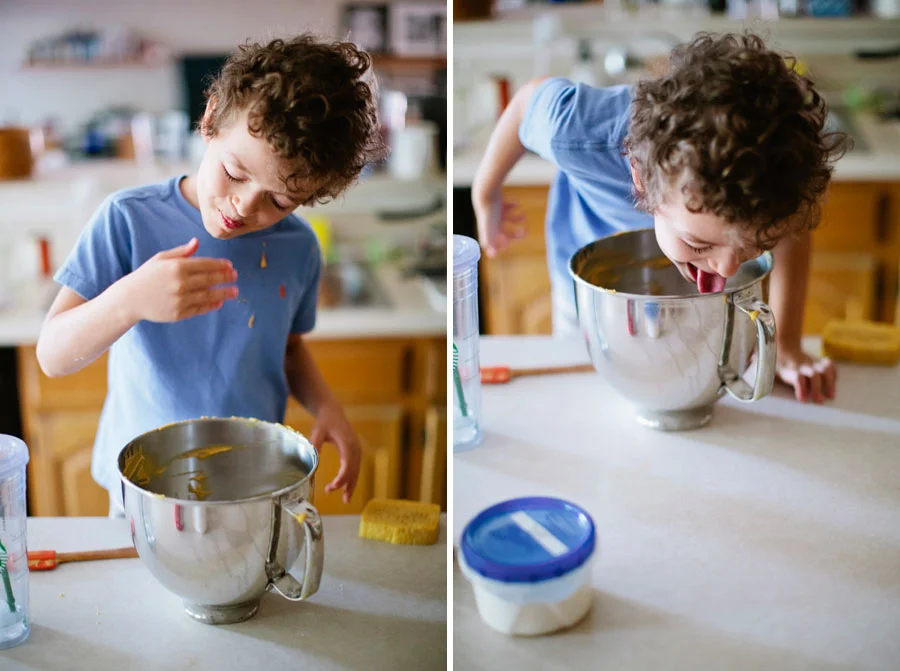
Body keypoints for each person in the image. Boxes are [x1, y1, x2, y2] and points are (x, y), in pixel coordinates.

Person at [36, 35, 386, 515]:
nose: (244, 207)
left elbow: (286, 348)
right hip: (142, 489)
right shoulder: (128, 220)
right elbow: (52, 356)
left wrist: (326, 407)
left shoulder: (298, 249)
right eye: (236, 172)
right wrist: (130, 300)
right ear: (210, 120)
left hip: (251, 483)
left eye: (280, 200)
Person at [472, 32, 847, 404]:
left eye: (757, 244)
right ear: (641, 178)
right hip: (588, 285)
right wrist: (485, 194)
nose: (728, 267)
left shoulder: (773, 180)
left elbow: (791, 232)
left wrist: (788, 343)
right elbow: (526, 103)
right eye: (700, 243)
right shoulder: (578, 131)